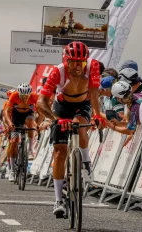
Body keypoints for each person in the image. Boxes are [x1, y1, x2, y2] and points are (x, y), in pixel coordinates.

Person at [37, 41, 105, 218]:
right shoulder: (57, 71)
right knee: (60, 152)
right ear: (66, 60)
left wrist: (98, 115)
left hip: (83, 103)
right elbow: (41, 102)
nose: (77, 67)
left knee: (80, 125)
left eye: (81, 63)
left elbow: (94, 92)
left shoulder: (93, 66)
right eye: (73, 62)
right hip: (62, 106)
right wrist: (56, 120)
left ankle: (86, 163)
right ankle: (58, 199)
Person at [4, 83, 43, 182]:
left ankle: (30, 150)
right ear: (18, 94)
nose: (24, 98)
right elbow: (6, 112)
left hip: (28, 115)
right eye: (22, 96)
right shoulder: (14, 96)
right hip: (16, 117)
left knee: (30, 122)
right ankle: (12, 171)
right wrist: (9, 124)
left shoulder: (34, 97)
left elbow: (41, 112)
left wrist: (37, 125)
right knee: (14, 141)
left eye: (26, 96)